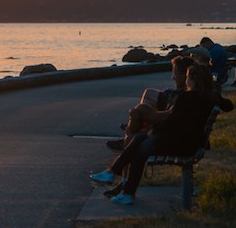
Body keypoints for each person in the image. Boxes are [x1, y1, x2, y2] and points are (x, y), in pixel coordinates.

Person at [90, 63, 215, 205]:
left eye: (187, 77)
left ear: (194, 79)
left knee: (140, 148)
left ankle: (122, 185)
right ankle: (113, 175)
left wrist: (153, 132)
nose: (185, 80)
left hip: (182, 145)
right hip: (189, 142)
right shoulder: (208, 97)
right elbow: (227, 105)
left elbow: (172, 121)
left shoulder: (186, 98)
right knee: (140, 139)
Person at [106, 56, 194, 152]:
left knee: (140, 110)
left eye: (175, 73)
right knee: (142, 105)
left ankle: (131, 136)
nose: (172, 77)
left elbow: (163, 117)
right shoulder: (187, 95)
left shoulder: (183, 98)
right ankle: (132, 132)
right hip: (171, 129)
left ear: (184, 75)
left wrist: (138, 116)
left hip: (168, 136)